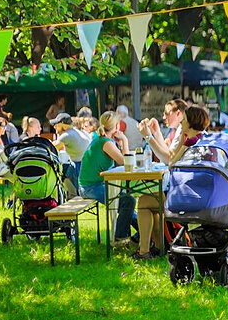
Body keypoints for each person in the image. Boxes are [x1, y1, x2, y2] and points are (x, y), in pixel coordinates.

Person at [135, 105, 211, 260]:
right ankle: (157, 247)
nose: (181, 123)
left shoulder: (190, 143)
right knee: (149, 204)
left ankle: (145, 252)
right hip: (198, 195)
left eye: (184, 121)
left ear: (190, 124)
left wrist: (150, 137)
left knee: (143, 202)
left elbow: (171, 163)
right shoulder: (201, 139)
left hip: (186, 199)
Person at [78, 111, 135, 247]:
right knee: (128, 201)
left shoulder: (101, 140)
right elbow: (125, 163)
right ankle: (121, 238)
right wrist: (125, 141)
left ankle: (145, 236)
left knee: (126, 202)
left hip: (89, 186)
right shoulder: (106, 142)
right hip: (91, 187)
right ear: (116, 126)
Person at [50, 113, 91, 179]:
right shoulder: (76, 131)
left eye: (57, 125)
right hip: (87, 164)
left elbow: (52, 149)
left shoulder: (66, 135)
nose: (54, 127)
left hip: (79, 166)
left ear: (65, 126)